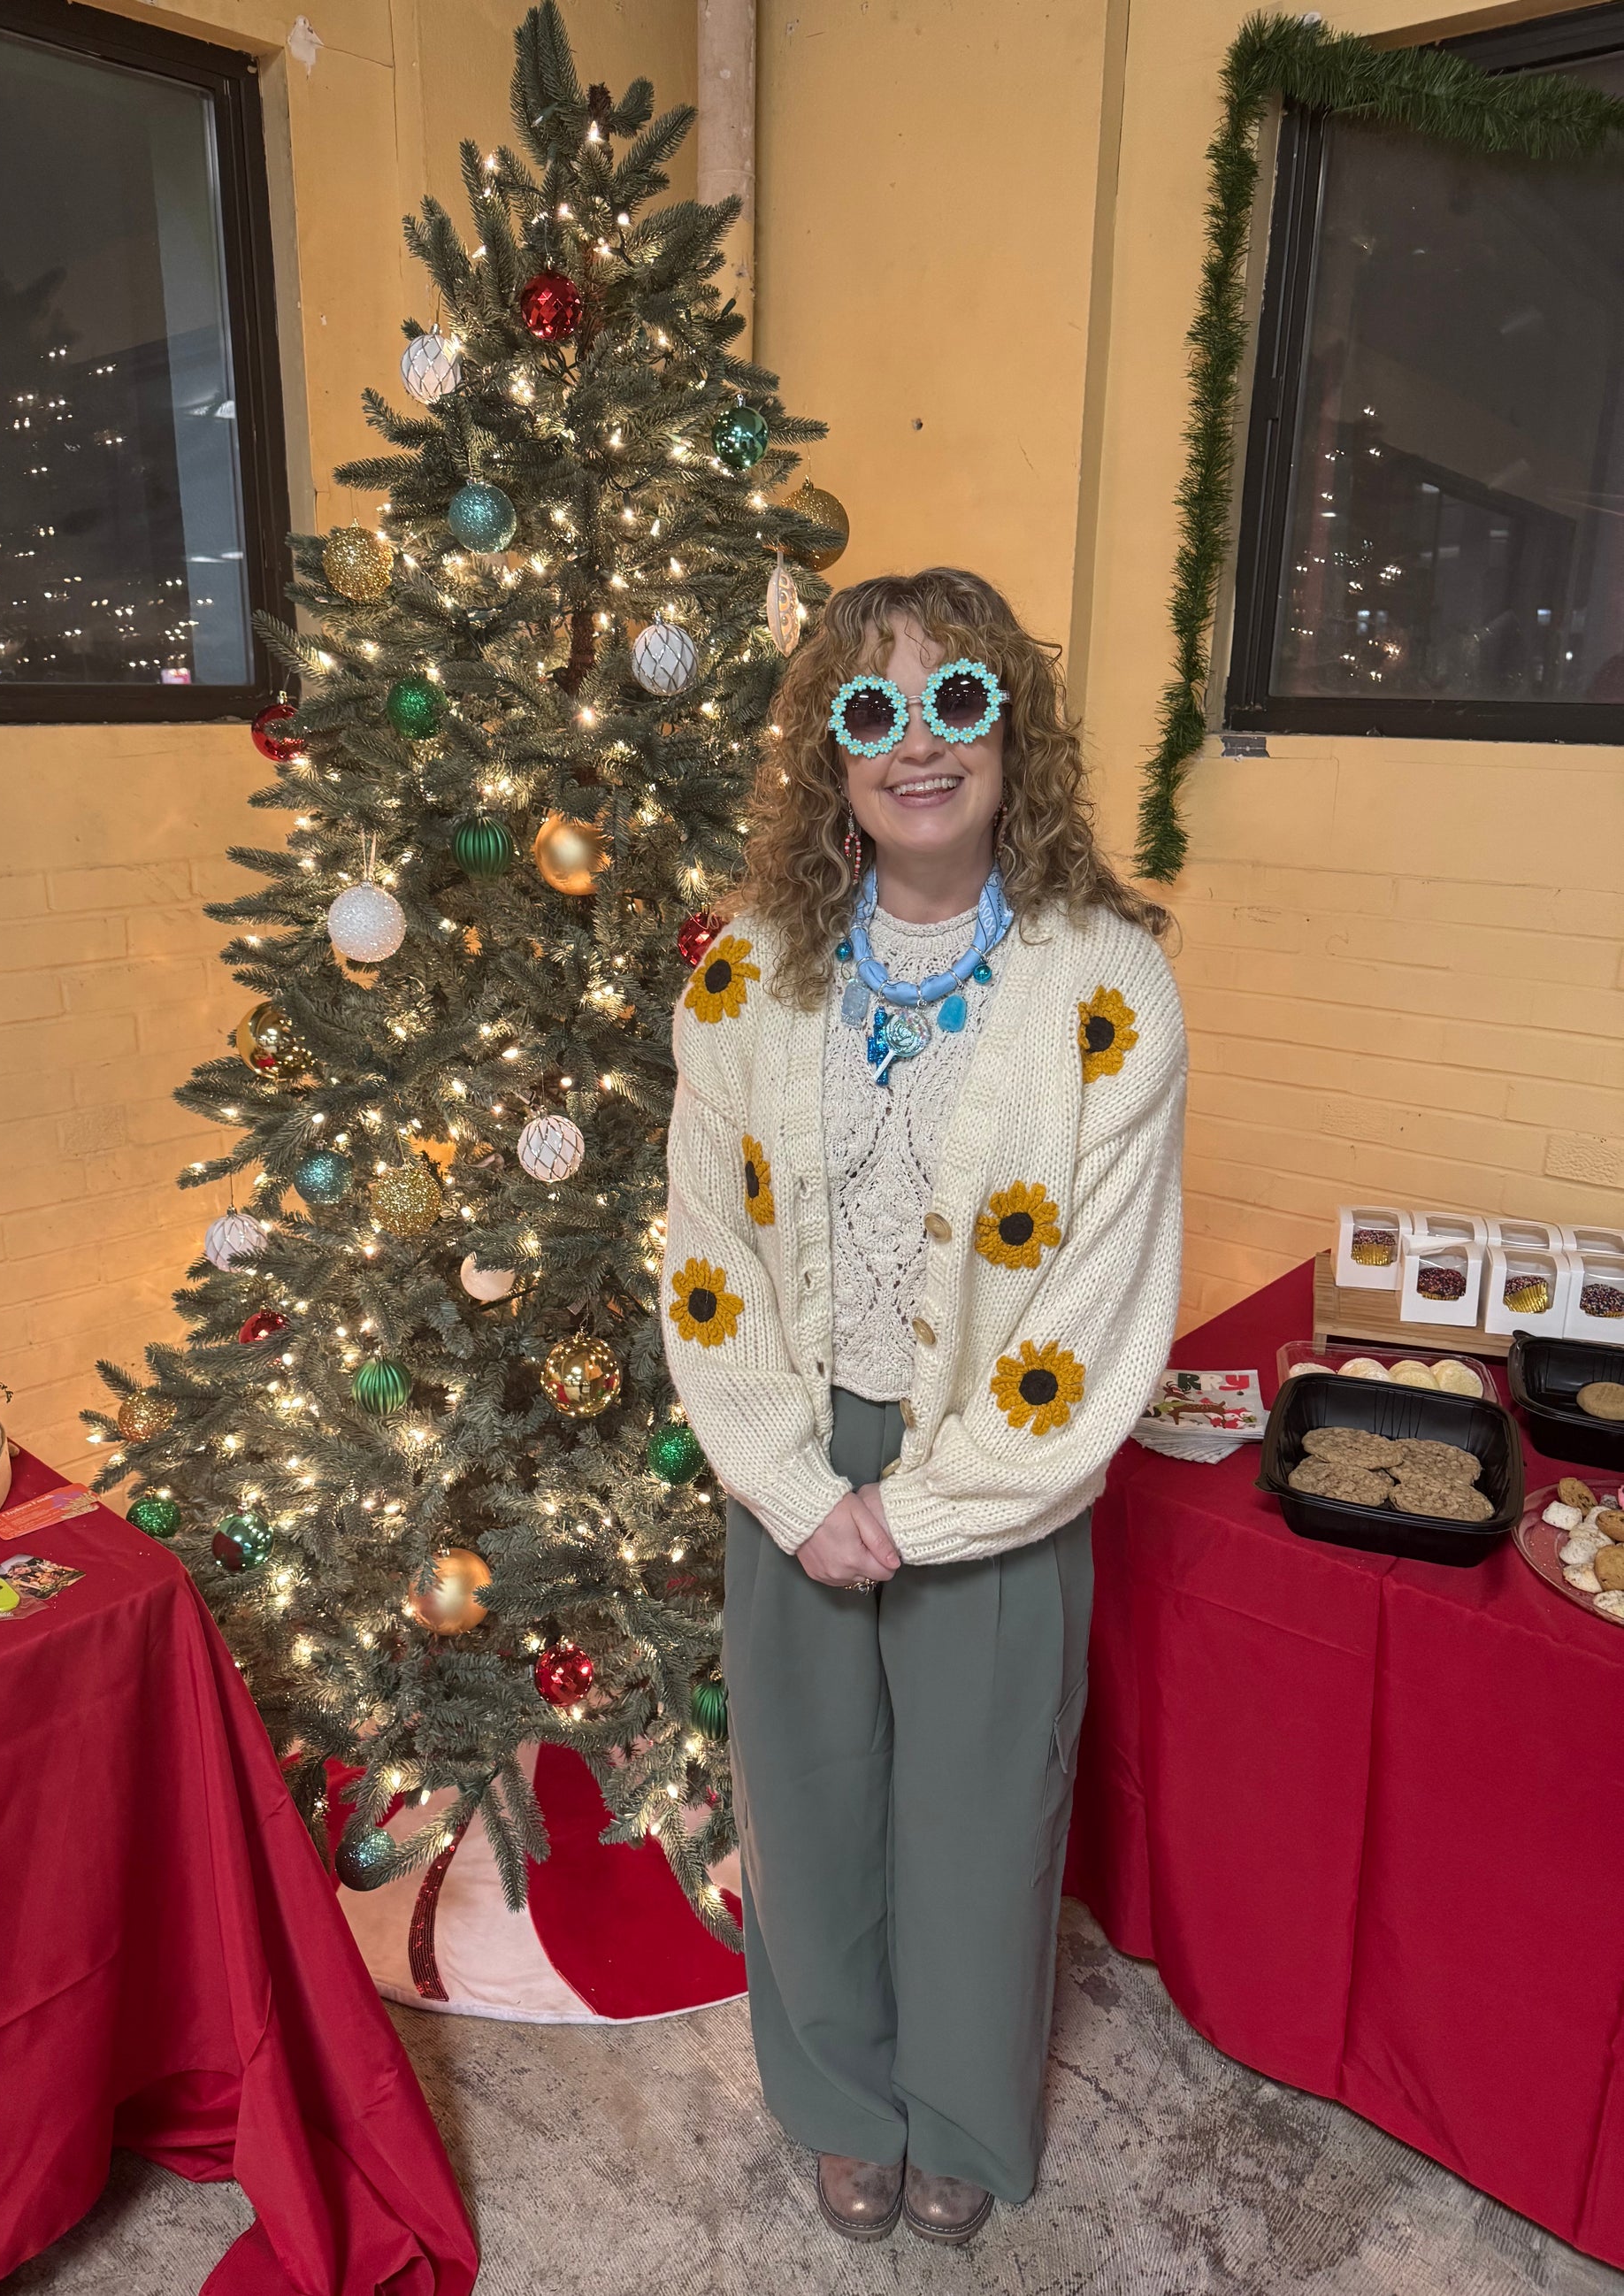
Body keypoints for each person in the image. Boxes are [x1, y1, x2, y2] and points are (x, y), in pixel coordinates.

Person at [662, 566, 1186, 2247]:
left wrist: (937, 1504)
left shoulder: (1109, 990)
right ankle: (837, 2100)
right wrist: (788, 1477)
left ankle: (959, 2113)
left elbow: (1097, 1304)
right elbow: (711, 1257)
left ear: (1006, 728)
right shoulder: (744, 975)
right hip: (794, 1453)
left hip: (998, 1472)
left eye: (952, 700)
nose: (913, 745)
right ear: (826, 750)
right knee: (807, 1802)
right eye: (868, 708)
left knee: (978, 1814)